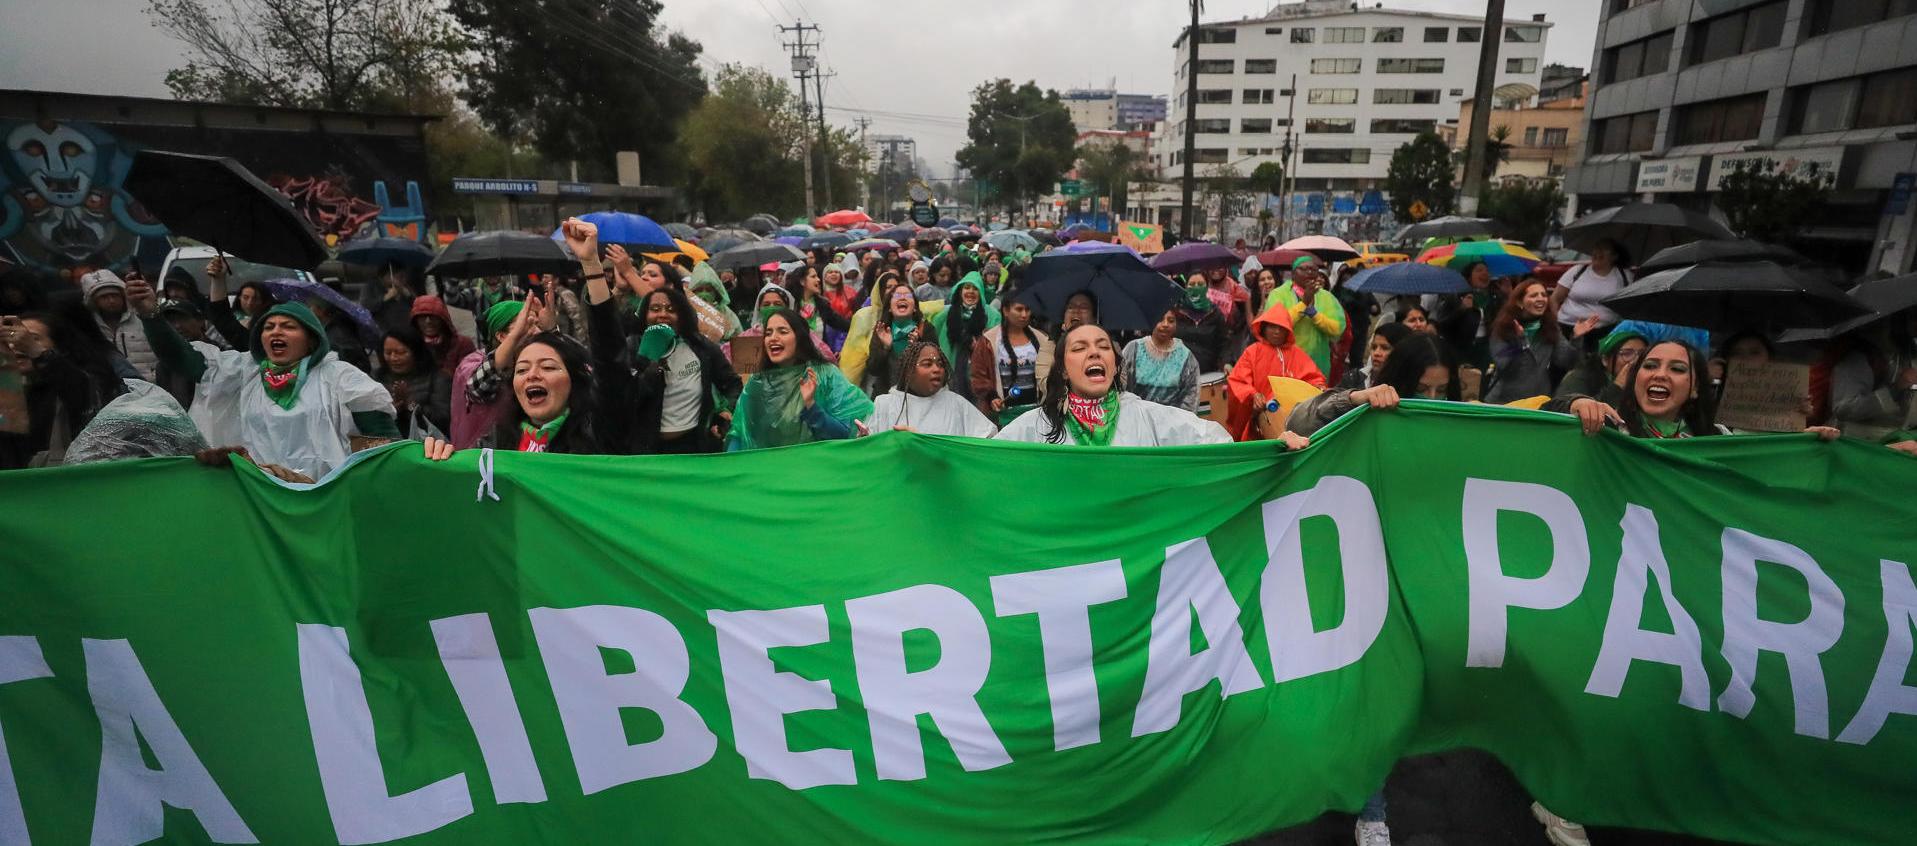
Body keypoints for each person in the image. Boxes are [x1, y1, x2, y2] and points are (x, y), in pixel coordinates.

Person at [143, 284, 398, 479]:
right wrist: (149, 314)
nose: (276, 331)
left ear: (311, 339)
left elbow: (384, 443)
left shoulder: (340, 376)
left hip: (324, 498)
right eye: (268, 327)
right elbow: (182, 359)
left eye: (288, 326)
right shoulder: (242, 371)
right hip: (260, 497)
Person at [996, 324, 1274, 447]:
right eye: (1080, 348)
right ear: (1064, 371)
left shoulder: (1146, 416)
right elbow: (988, 461)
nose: (1094, 353)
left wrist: (1274, 452)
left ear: (1115, 365)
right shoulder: (1037, 424)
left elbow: (1216, 444)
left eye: (1103, 346)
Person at [605, 285, 742, 454]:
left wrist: (725, 411)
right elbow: (622, 400)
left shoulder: (701, 347)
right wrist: (649, 360)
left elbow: (733, 384)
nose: (663, 314)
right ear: (644, 315)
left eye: (671, 310)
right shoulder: (631, 348)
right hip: (646, 451)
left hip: (694, 448)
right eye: (655, 309)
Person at [726, 307, 873, 451]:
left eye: (783, 331)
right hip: (771, 465)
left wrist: (811, 407)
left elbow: (843, 435)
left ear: (800, 337)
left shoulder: (825, 375)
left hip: (817, 463)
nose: (773, 338)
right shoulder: (758, 382)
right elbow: (739, 433)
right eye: (768, 333)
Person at [0, 308, 129, 468]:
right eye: (11, 339)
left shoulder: (78, 380)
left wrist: (36, 351)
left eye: (32, 338)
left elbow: (79, 391)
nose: (17, 346)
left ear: (59, 346)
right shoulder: (10, 390)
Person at [1226, 303, 1327, 441]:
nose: (1277, 332)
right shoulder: (1253, 352)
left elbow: (1314, 378)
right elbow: (1238, 381)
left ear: (1288, 331)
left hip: (1296, 418)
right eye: (1272, 327)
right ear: (1264, 328)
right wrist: (1253, 395)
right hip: (1261, 419)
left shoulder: (1297, 353)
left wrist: (1318, 387)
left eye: (1281, 328)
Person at [1483, 278, 1591, 404]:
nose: (1541, 299)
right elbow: (1506, 366)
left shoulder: (1550, 328)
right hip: (1505, 401)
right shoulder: (1504, 328)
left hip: (1537, 400)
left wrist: (1577, 338)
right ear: (1519, 302)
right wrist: (1521, 341)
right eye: (1534, 295)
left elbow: (1566, 362)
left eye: (1544, 295)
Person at [865, 338, 998, 437]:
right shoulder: (884, 404)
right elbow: (870, 449)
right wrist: (864, 439)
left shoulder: (956, 403)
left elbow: (987, 439)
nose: (936, 369)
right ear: (908, 371)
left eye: (940, 364)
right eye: (927, 364)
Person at [840, 271, 943, 387]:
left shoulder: (926, 329)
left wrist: (918, 347)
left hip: (919, 392)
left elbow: (937, 365)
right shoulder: (882, 330)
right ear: (889, 307)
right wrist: (885, 348)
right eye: (897, 296)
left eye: (908, 296)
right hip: (887, 392)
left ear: (915, 307)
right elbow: (873, 370)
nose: (902, 298)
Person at [453, 299, 530, 449]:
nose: (534, 331)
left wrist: (551, 330)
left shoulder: (531, 360)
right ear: (501, 336)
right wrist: (514, 339)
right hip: (481, 454)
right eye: (525, 325)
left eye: (536, 323)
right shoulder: (472, 362)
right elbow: (476, 389)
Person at [972, 298, 1051, 420]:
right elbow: (979, 376)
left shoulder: (1042, 338)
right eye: (1019, 309)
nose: (1024, 314)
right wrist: (992, 397)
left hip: (1038, 411)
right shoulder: (988, 341)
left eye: (1027, 309)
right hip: (1003, 413)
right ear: (1005, 311)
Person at [1270, 256, 1346, 376]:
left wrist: (1315, 315)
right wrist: (1303, 304)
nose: (1309, 272)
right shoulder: (1278, 294)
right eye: (1304, 269)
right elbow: (1275, 327)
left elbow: (1337, 329)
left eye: (1313, 269)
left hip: (1317, 366)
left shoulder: (1327, 297)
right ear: (1293, 274)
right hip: (1286, 364)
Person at [929, 272, 998, 403]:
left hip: (979, 373)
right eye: (967, 287)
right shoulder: (944, 314)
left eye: (975, 288)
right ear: (960, 291)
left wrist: (981, 346)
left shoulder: (992, 315)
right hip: (951, 370)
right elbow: (932, 338)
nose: (970, 292)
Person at [1119, 308, 1201, 412]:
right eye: (1160, 319)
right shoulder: (1133, 348)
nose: (1165, 324)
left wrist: (1180, 419)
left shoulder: (1185, 356)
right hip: (1136, 416)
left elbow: (1191, 396)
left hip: (1172, 419)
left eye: (1171, 321)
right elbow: (1119, 384)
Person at [81, 269, 157, 380]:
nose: (111, 301)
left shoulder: (143, 318)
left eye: (115, 295)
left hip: (150, 384)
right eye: (104, 297)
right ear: (94, 301)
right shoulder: (89, 329)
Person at [377, 326, 451, 439]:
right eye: (388, 352)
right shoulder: (378, 378)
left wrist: (411, 405)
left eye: (400, 352)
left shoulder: (437, 378)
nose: (393, 358)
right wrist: (390, 411)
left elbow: (443, 419)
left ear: (416, 352)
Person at [1550, 239, 1631, 337]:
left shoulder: (1625, 276)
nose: (1598, 251)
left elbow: (1631, 306)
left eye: (1604, 248)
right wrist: (1554, 324)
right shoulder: (1577, 270)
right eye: (1596, 248)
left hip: (1606, 332)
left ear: (1615, 256)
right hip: (1567, 327)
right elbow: (1554, 299)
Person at [1554, 326, 1647, 410]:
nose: (1636, 360)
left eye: (1642, 354)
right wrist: (1617, 386)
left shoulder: (1645, 381)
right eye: (1627, 353)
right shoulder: (1579, 378)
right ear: (1605, 360)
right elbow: (1561, 409)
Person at [1429, 260, 1500, 369]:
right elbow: (1443, 325)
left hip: (1484, 349)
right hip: (1461, 350)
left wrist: (1507, 294)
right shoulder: (1455, 295)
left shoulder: (1492, 297)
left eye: (1487, 271)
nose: (1485, 273)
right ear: (1468, 277)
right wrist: (1461, 308)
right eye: (1479, 270)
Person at [409, 295, 475, 379]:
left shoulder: (463, 344)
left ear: (443, 319)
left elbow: (469, 375)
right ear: (416, 321)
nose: (428, 321)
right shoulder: (411, 346)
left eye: (432, 316)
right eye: (422, 317)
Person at [1173, 276, 1230, 372]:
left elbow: (1224, 344)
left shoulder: (1215, 313)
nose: (1196, 288)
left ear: (1207, 287)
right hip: (1179, 372)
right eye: (1192, 284)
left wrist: (1226, 363)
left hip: (1209, 373)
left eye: (1200, 284)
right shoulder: (1175, 312)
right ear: (1186, 287)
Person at [1337, 322, 1413, 391]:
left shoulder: (1411, 385)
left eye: (1385, 348)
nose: (1376, 353)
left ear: (1402, 352)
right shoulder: (1353, 379)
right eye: (1374, 347)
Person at [686, 261, 743, 341]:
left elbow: (739, 338)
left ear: (716, 292)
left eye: (708, 290)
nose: (704, 293)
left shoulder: (727, 314)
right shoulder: (687, 312)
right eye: (699, 290)